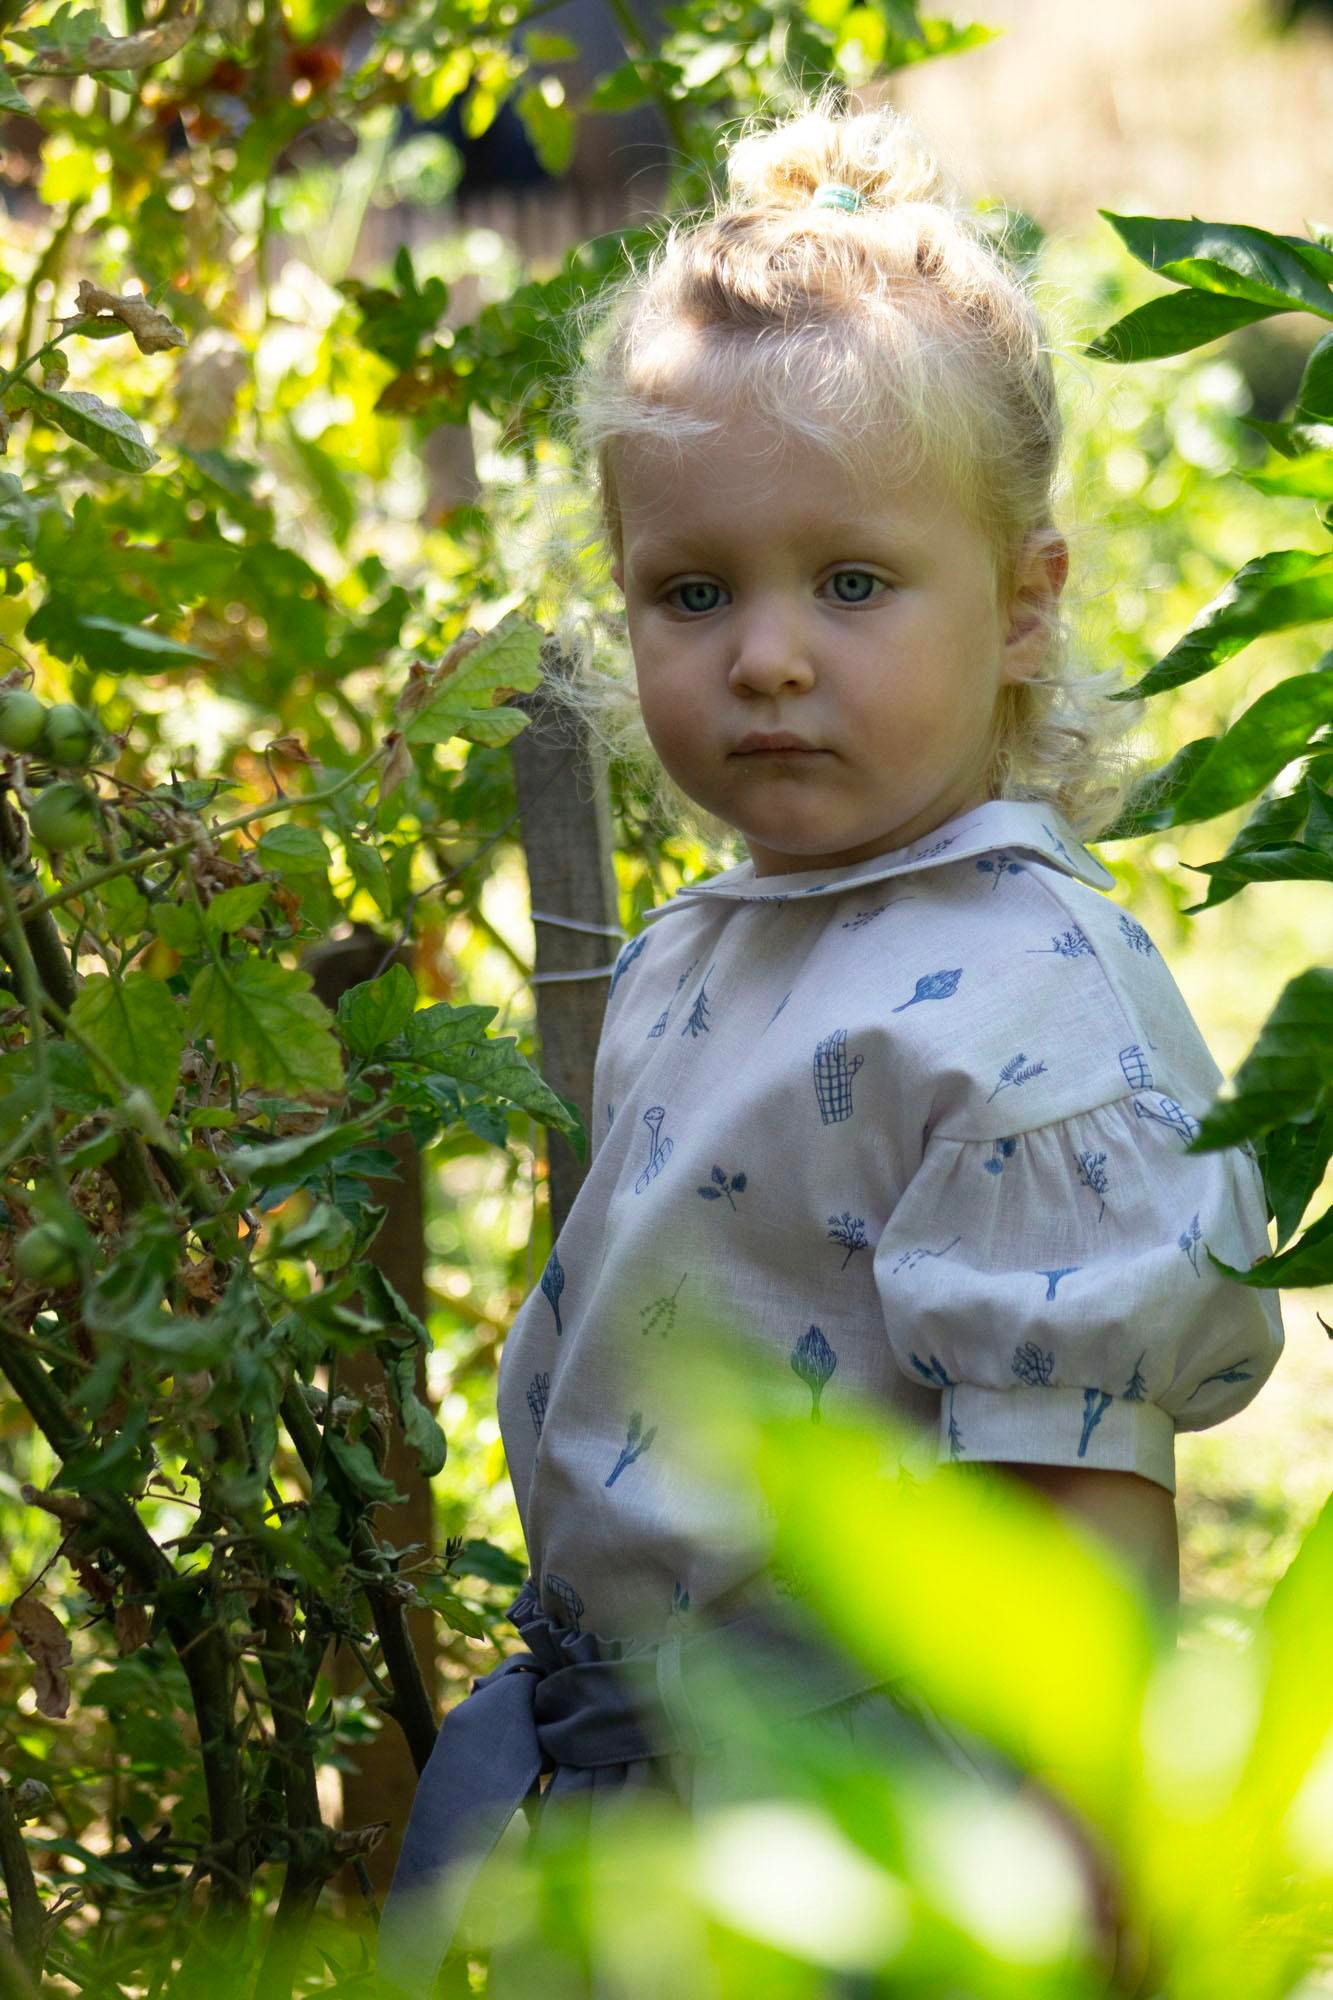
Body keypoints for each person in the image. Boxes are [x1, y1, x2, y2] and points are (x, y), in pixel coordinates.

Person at [378, 89, 1285, 1997]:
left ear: (1024, 604)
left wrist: (1081, 1845)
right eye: (691, 593)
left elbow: (1076, 1495)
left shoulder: (1027, 1006)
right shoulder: (711, 940)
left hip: (870, 1807)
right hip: (636, 1784)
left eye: (850, 584)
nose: (765, 656)